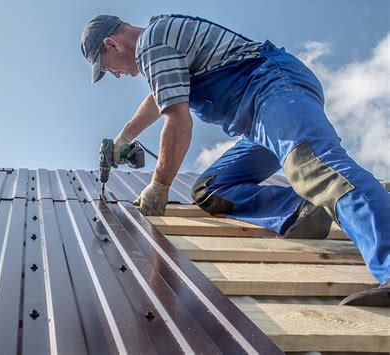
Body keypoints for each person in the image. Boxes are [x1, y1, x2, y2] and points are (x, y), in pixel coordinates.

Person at [81, 14, 389, 306]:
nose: (116, 74)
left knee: (314, 166)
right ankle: (302, 210)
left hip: (274, 88)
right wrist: (124, 137)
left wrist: (160, 185)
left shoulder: (152, 43)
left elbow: (177, 120)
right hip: (257, 121)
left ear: (112, 43)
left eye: (107, 67)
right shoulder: (160, 47)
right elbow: (157, 97)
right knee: (211, 188)